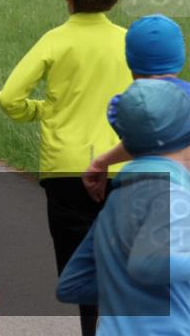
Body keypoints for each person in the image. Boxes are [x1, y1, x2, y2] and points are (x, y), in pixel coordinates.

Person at [0, 0, 133, 336]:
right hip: (122, 165)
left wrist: (43, 110)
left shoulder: (55, 40)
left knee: (81, 270)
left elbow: (10, 98)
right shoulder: (129, 41)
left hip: (65, 169)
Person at [56, 78, 190, 336]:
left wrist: (125, 291)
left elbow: (71, 285)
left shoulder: (116, 203)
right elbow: (147, 265)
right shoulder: (171, 196)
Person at [83, 14, 189, 201]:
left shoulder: (123, 106)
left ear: (130, 61)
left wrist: (101, 162)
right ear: (180, 57)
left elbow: (144, 141)